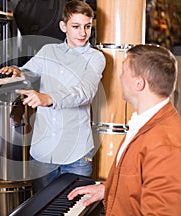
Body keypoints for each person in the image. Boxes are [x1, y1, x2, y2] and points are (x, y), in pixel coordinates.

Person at [0, 0, 106, 192]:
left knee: (76, 211)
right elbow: (29, 71)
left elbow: (85, 92)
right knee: (41, 209)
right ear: (63, 26)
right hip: (42, 154)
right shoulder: (49, 51)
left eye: (87, 26)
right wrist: (16, 71)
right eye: (76, 26)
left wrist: (48, 98)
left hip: (77, 155)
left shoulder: (96, 58)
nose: (83, 33)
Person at [67, 44, 181, 215]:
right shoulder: (145, 122)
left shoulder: (165, 144)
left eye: (124, 71)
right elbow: (139, 179)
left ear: (139, 83)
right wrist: (109, 189)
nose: (120, 77)